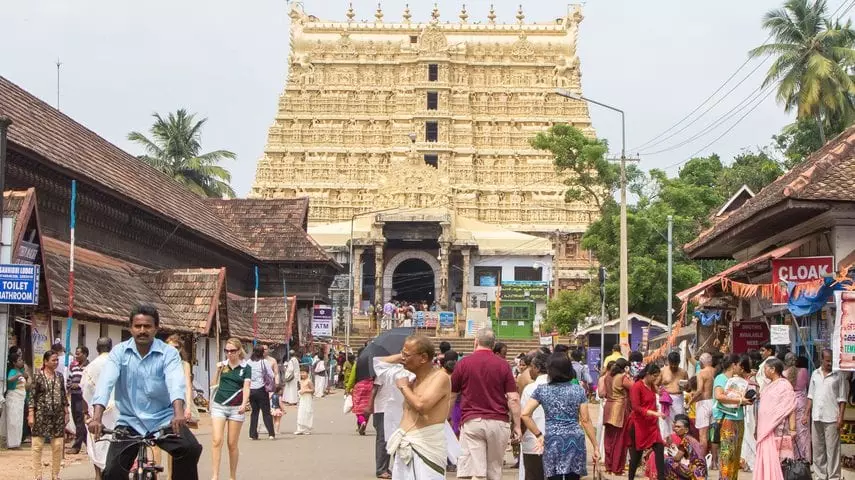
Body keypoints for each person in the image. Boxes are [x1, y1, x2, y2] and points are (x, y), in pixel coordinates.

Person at [89, 305, 202, 480]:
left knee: (190, 449)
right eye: (138, 326)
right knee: (111, 472)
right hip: (129, 422)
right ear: (130, 328)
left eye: (147, 326)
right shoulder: (119, 352)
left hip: (163, 421)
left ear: (156, 328)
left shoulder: (169, 353)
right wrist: (97, 418)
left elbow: (175, 383)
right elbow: (105, 384)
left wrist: (179, 413)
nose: (142, 330)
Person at [451, 328, 521, 480]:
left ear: (475, 341)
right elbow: (513, 398)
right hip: (498, 423)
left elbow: (452, 394)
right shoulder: (503, 365)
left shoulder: (463, 364)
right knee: (494, 470)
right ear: (493, 344)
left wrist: (447, 417)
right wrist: (517, 425)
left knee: (472, 468)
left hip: (472, 421)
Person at [521, 353, 598, 480]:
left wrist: (538, 435)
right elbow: (585, 420)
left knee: (554, 475)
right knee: (573, 476)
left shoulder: (542, 390)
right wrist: (595, 446)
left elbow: (525, 414)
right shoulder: (578, 390)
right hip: (575, 440)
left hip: (553, 439)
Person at [388, 335, 452, 480]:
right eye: (402, 353)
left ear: (423, 358)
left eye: (406, 355)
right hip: (406, 445)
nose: (402, 358)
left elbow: (421, 406)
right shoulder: (413, 380)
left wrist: (404, 387)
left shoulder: (440, 377)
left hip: (426, 448)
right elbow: (381, 363)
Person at [209, 337, 251, 480]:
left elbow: (246, 387)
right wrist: (217, 371)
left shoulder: (246, 368)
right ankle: (215, 475)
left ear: (239, 351)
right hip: (219, 405)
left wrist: (244, 403)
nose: (229, 353)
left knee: (232, 444)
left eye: (232, 351)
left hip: (236, 408)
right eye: (226, 351)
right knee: (216, 440)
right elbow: (213, 385)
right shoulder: (223, 365)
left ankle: (232, 476)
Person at [807, 348, 848, 480]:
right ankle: (820, 476)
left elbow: (842, 399)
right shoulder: (815, 374)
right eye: (827, 361)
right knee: (818, 449)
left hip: (832, 418)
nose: (830, 363)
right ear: (821, 360)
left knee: (833, 450)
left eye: (831, 361)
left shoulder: (839, 375)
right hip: (816, 417)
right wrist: (806, 414)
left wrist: (840, 417)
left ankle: (834, 477)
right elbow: (810, 396)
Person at [374, 352, 416, 479]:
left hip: (402, 412)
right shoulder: (391, 371)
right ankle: (382, 468)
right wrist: (369, 405)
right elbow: (375, 387)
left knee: (399, 442)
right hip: (383, 408)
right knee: (384, 439)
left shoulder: (410, 373)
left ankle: (394, 468)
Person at [754, 357, 797, 480]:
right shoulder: (768, 386)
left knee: (779, 461)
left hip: (779, 430)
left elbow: (791, 407)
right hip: (765, 430)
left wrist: (793, 429)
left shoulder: (785, 385)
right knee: (767, 459)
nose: (764, 371)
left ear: (773, 369)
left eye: (765, 368)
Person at [30, 350, 70, 480]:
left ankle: (55, 474)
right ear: (45, 362)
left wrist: (66, 412)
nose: (56, 362)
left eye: (57, 360)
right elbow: (32, 397)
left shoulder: (59, 376)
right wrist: (31, 414)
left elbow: (63, 395)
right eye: (53, 360)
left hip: (57, 415)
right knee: (37, 445)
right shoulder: (38, 376)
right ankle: (38, 475)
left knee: (58, 445)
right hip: (41, 414)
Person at [712, 353, 751, 480]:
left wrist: (745, 400)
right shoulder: (721, 378)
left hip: (738, 418)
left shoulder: (739, 381)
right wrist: (740, 400)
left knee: (735, 454)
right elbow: (719, 396)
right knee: (727, 454)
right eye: (740, 365)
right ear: (734, 365)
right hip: (727, 420)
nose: (742, 368)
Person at [82, 337, 115, 480]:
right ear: (111, 348)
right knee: (114, 440)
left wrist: (86, 412)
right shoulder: (117, 364)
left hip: (96, 411)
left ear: (97, 348)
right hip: (116, 410)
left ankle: (98, 475)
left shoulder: (90, 367)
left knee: (96, 441)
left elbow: (84, 391)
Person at [627, 364, 666, 480]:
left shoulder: (652, 385)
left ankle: (661, 477)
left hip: (651, 425)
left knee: (659, 448)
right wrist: (654, 413)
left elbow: (657, 397)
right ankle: (630, 478)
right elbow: (636, 407)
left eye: (657, 376)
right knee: (636, 455)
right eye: (654, 376)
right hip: (639, 424)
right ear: (648, 374)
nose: (656, 378)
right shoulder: (637, 386)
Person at [645, 414, 708, 480]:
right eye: (675, 427)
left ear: (686, 430)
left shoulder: (685, 440)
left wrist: (669, 454)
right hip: (701, 472)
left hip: (696, 473)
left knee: (668, 461)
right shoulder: (690, 438)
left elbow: (677, 458)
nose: (676, 429)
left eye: (678, 427)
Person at [518, 352, 548, 480]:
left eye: (531, 367)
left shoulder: (530, 388)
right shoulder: (558, 387)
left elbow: (524, 415)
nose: (529, 370)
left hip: (533, 440)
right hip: (554, 440)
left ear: (537, 368)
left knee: (533, 474)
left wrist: (519, 433)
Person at [604, 358, 632, 476]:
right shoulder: (622, 377)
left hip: (608, 407)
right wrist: (629, 376)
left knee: (609, 439)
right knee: (620, 439)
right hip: (619, 409)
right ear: (625, 367)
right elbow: (634, 388)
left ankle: (608, 466)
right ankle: (617, 468)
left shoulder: (607, 377)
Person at [784, 354, 811, 460]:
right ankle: (804, 459)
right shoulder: (804, 371)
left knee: (791, 431)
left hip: (789, 403)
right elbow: (808, 386)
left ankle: (792, 458)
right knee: (803, 433)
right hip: (802, 403)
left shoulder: (784, 373)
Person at [247, 345, 276, 440]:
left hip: (251, 390)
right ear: (262, 352)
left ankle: (253, 434)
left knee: (254, 412)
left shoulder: (248, 362)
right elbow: (271, 374)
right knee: (266, 412)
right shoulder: (264, 362)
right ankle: (271, 433)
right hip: (262, 389)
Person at [690, 352, 715, 457]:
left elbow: (700, 390)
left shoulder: (701, 373)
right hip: (714, 403)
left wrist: (690, 402)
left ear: (701, 362)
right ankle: (714, 460)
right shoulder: (716, 371)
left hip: (704, 403)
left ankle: (702, 459)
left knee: (703, 435)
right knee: (713, 435)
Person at [67, 345, 89, 454]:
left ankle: (76, 446)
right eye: (76, 353)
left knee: (80, 421)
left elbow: (88, 383)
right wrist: (70, 386)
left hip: (83, 397)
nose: (76, 356)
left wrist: (79, 385)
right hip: (74, 396)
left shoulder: (89, 367)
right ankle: (88, 444)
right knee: (76, 420)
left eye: (78, 353)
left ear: (85, 354)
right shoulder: (74, 367)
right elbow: (69, 379)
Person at [2, 352, 27, 449]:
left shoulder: (21, 371)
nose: (22, 361)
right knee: (13, 421)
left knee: (19, 421)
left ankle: (17, 443)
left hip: (20, 399)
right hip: (13, 398)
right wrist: (17, 376)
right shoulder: (12, 371)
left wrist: (24, 373)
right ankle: (12, 444)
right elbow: (9, 379)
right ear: (14, 362)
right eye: (19, 360)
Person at [660, 351, 689, 436]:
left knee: (679, 420)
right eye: (671, 364)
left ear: (679, 362)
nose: (673, 366)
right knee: (665, 421)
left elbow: (689, 388)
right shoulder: (663, 371)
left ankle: (678, 439)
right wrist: (660, 392)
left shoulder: (683, 372)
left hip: (678, 398)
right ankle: (666, 439)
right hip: (665, 399)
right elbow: (655, 384)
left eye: (675, 364)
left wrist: (686, 387)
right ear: (668, 362)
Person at [295, 365, 315, 435]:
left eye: (304, 372)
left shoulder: (309, 381)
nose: (302, 374)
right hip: (302, 398)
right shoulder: (300, 381)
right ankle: (300, 429)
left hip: (308, 398)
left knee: (307, 412)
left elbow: (313, 390)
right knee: (301, 413)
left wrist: (305, 391)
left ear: (307, 373)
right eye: (301, 373)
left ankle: (307, 429)